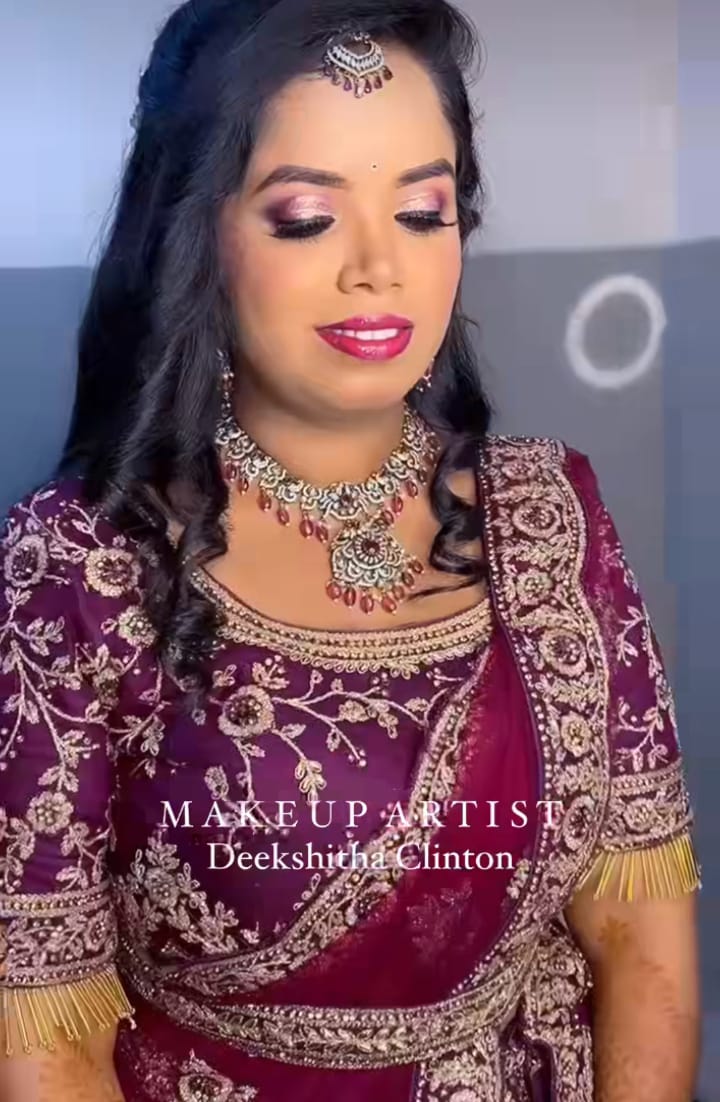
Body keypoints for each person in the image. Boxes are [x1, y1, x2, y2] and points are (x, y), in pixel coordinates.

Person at [0, 0, 702, 1099]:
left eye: (422, 211)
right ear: (198, 236)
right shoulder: (80, 565)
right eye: (305, 218)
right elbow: (47, 1035)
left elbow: (637, 932)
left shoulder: (550, 514)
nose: (380, 267)